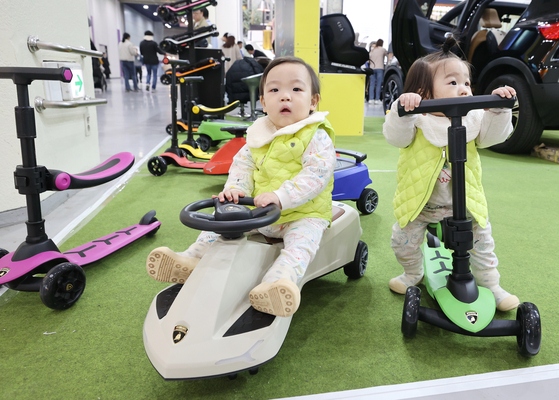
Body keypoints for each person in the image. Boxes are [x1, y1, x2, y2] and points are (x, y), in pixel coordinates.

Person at [146, 56, 337, 318]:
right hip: (260, 212)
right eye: (274, 90)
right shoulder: (259, 135)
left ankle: (277, 284)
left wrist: (282, 197)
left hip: (303, 214)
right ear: (263, 102)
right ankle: (191, 259)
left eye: (296, 89)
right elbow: (242, 167)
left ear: (313, 101)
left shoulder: (316, 135)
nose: (285, 97)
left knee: (299, 248)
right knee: (221, 226)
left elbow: (316, 175)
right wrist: (236, 190)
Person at [382, 36, 519, 312]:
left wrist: (497, 109)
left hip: (465, 201)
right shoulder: (417, 120)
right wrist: (404, 109)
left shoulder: (474, 118)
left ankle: (491, 284)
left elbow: (493, 137)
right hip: (421, 203)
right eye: (453, 83)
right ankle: (412, 273)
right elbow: (395, 137)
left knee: (482, 244)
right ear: (424, 91)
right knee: (402, 241)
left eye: (466, 83)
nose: (464, 89)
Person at [368, 39, 387, 104]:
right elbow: (386, 54)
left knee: (372, 84)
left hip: (372, 68)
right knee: (379, 84)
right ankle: (377, 99)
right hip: (379, 68)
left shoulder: (372, 50)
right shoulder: (382, 49)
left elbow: (368, 60)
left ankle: (371, 99)